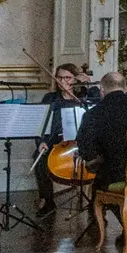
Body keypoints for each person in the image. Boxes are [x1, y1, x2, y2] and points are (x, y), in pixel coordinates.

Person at [75, 70, 127, 190]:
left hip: (115, 177)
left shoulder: (93, 113)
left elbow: (86, 149)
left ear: (102, 90)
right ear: (125, 88)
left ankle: (103, 200)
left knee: (98, 177)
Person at [33, 63, 87, 218]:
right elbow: (41, 123)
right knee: (39, 158)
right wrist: (41, 142)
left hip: (80, 143)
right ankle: (48, 201)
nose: (63, 81)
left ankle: (96, 205)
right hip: (58, 143)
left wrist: (88, 84)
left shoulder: (85, 97)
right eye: (60, 77)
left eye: (68, 78)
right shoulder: (50, 98)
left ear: (75, 79)